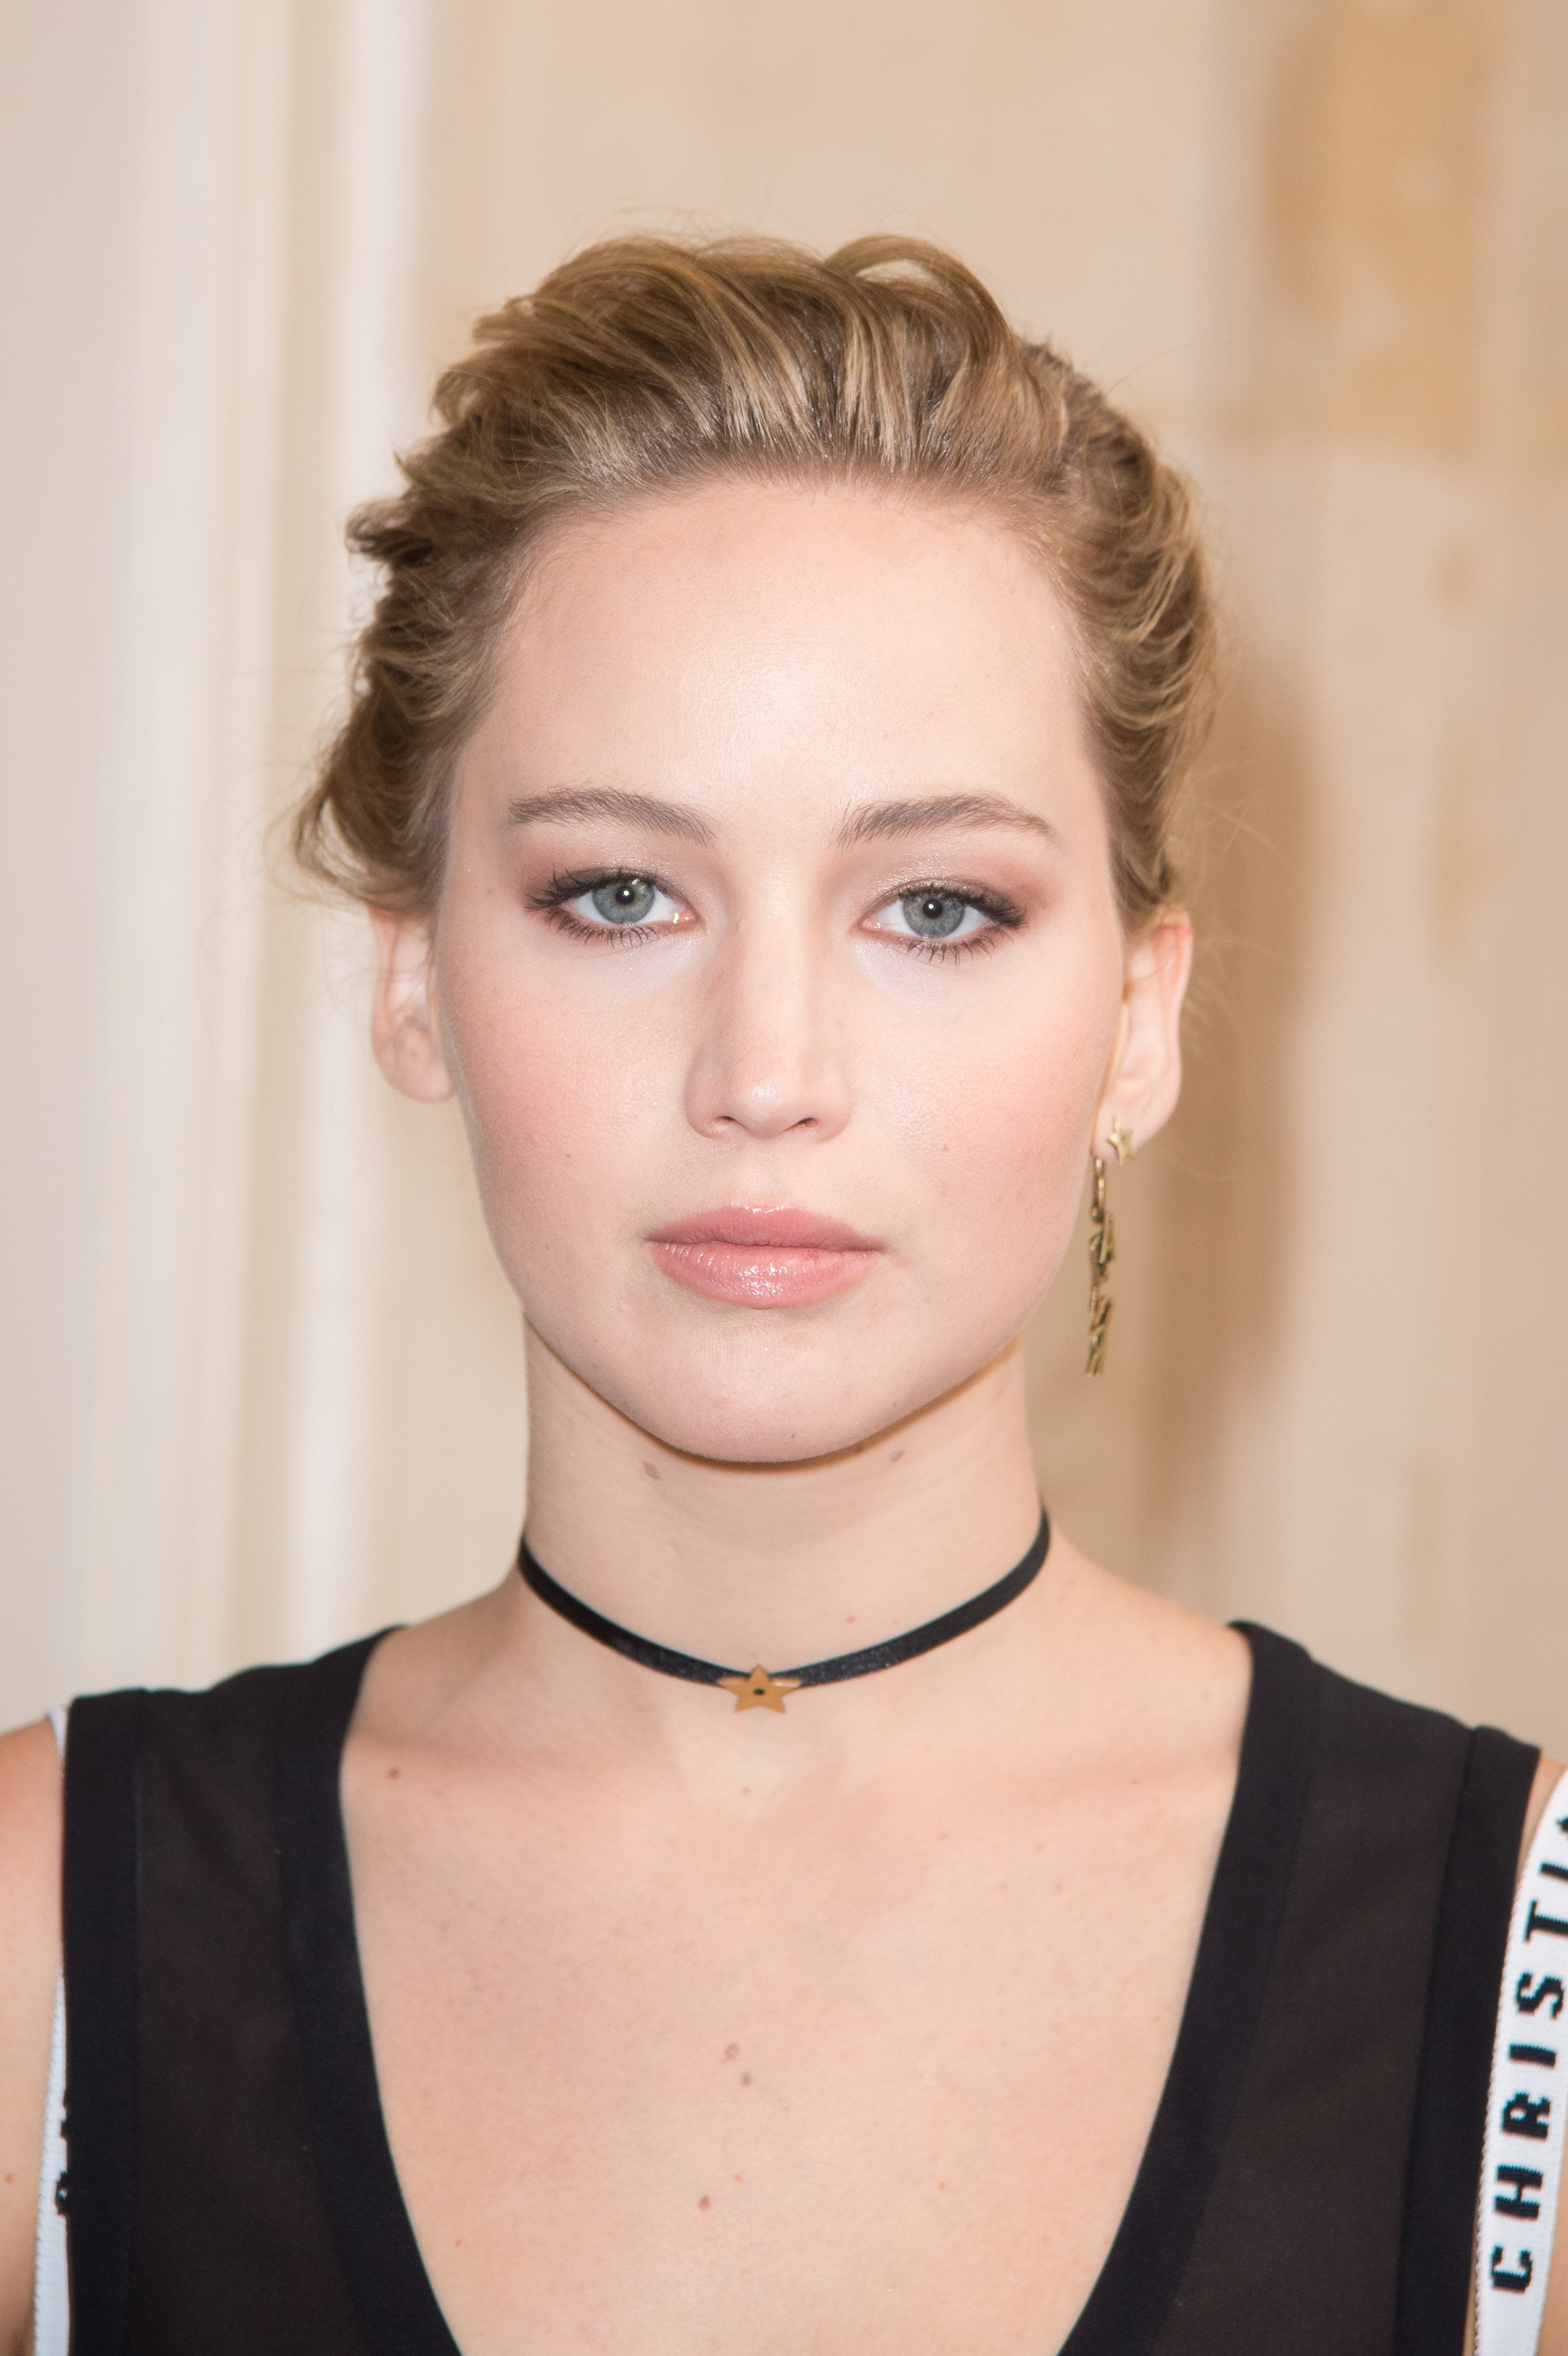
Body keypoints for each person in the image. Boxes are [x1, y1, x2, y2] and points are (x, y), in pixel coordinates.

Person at [0, 234, 1561, 2356]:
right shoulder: (46, 1933)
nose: (766, 1072)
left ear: (1139, 1018)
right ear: (411, 976)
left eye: (938, 909)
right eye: (618, 893)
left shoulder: (1516, 1969)